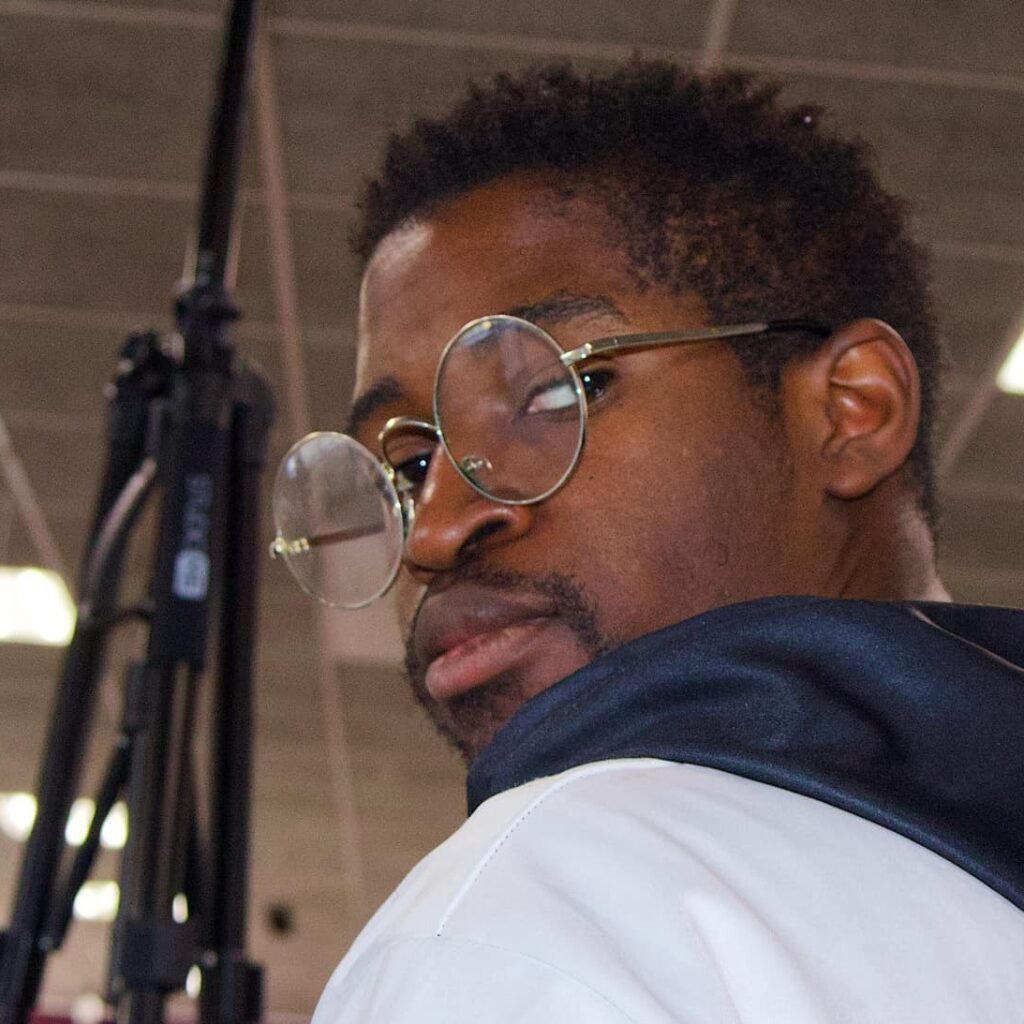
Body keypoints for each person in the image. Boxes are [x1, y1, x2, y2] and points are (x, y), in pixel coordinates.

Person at [277, 61, 1024, 1021]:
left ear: (851, 409)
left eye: (551, 393)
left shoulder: (542, 900)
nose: (435, 531)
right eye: (410, 466)